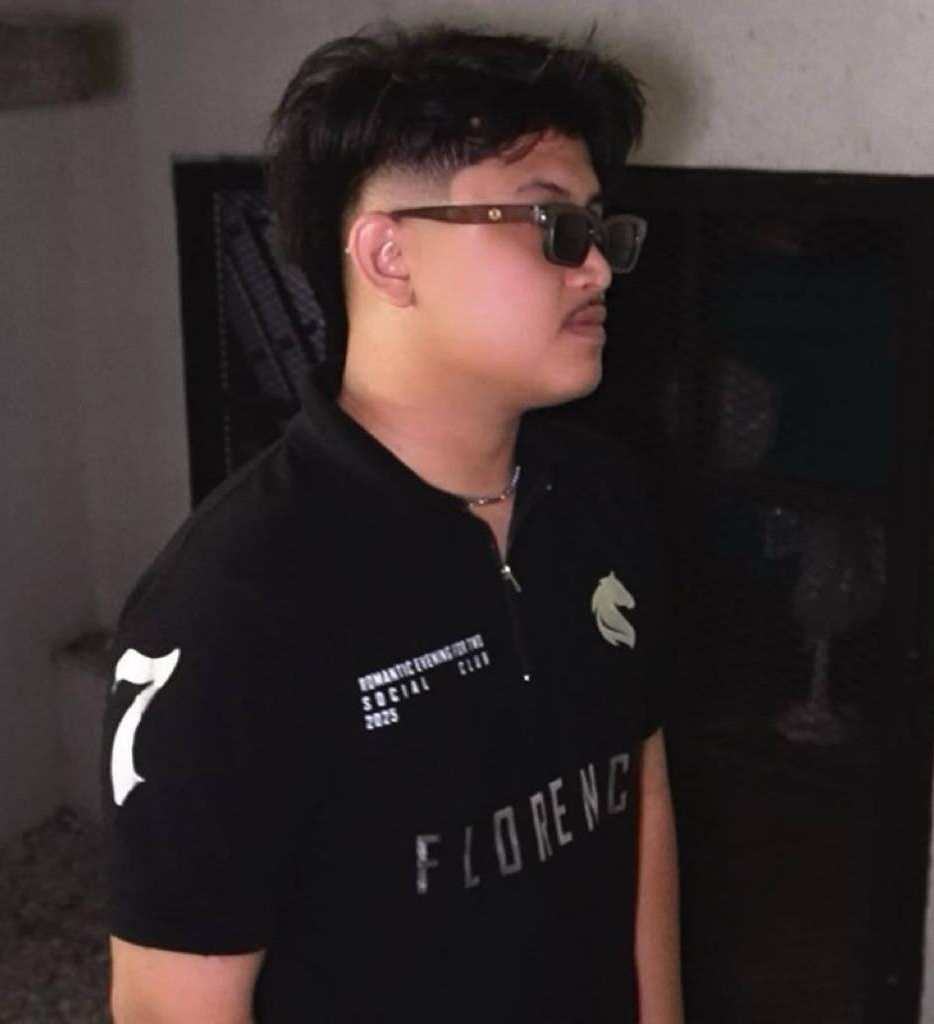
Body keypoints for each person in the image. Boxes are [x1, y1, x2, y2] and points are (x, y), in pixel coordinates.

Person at [103, 23, 683, 1024]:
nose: (597, 269)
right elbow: (169, 1006)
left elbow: (641, 789)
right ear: (389, 255)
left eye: (599, 227)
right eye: (552, 223)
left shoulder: (601, 495)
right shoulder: (232, 600)